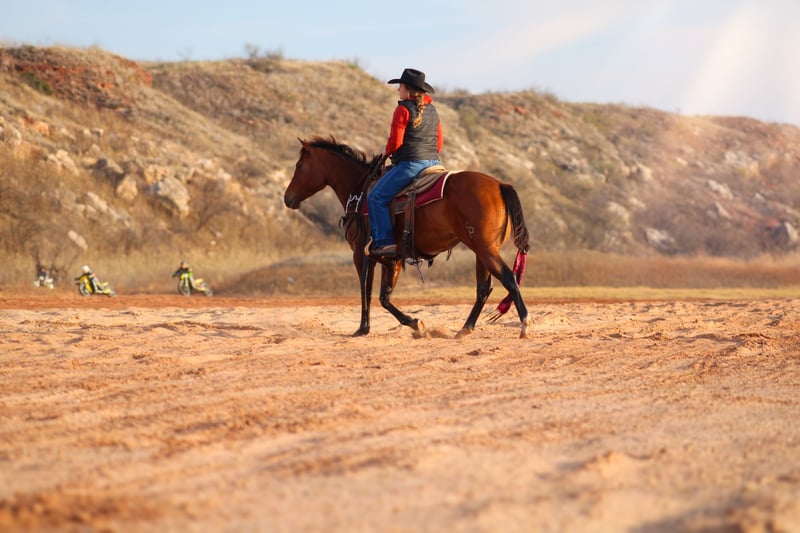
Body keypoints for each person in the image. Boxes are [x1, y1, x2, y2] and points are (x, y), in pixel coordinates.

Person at [367, 68, 443, 257]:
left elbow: (395, 143)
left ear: (408, 90)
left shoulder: (402, 109)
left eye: (399, 86)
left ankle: (385, 243)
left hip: (411, 164)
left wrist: (386, 151)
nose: (397, 90)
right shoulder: (433, 111)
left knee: (375, 197)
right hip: (434, 163)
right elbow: (439, 143)